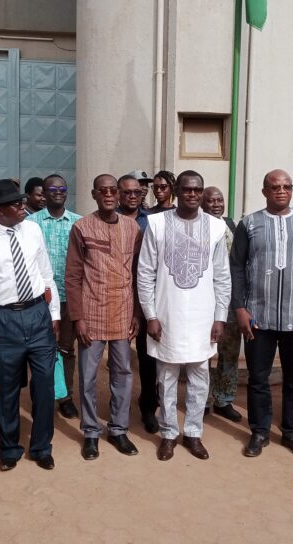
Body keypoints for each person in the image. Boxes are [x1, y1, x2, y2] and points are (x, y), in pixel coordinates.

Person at [230, 169, 293, 459]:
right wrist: (239, 308)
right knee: (258, 379)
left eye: (287, 186)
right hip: (258, 316)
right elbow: (236, 266)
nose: (281, 191)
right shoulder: (250, 224)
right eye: (275, 187)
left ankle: (292, 433)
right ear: (265, 191)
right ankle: (260, 431)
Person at [0, 179, 60, 472]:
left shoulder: (33, 229)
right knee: (5, 389)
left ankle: (42, 447)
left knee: (44, 385)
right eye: (16, 203)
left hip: (37, 314)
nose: (24, 206)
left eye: (22, 202)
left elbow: (46, 274)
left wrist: (53, 315)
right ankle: (9, 448)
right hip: (2, 320)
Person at [138, 171, 231, 461]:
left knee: (200, 376)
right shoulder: (156, 223)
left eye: (198, 190)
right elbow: (145, 272)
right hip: (167, 315)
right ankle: (168, 433)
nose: (193, 194)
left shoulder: (216, 228)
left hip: (203, 317)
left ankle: (193, 432)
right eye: (187, 189)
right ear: (177, 190)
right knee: (166, 377)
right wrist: (150, 315)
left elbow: (222, 277)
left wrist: (220, 317)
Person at [66, 174, 142, 459]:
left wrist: (137, 312)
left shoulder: (132, 227)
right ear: (94, 194)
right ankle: (90, 433)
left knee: (122, 374)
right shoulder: (82, 227)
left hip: (123, 311)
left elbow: (138, 273)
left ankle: (119, 430)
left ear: (119, 195)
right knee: (87, 376)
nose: (109, 194)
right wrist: (78, 318)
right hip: (91, 312)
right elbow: (73, 276)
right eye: (103, 190)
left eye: (113, 190)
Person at [28, 174, 82, 420]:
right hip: (40, 298)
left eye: (62, 188)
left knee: (66, 349)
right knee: (39, 349)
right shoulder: (31, 223)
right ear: (44, 193)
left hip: (70, 297)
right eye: (52, 188)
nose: (58, 192)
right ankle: (42, 394)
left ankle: (66, 396)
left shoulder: (78, 223)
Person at [117, 174, 158, 433]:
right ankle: (117, 409)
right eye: (127, 192)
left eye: (137, 192)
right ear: (118, 194)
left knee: (148, 358)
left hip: (145, 299)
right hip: (116, 299)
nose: (133, 196)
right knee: (119, 359)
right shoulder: (108, 220)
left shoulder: (152, 222)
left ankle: (148, 408)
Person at [201, 185, 242, 422]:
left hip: (230, 300)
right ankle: (203, 399)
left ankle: (224, 399)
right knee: (205, 352)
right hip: (206, 301)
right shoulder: (198, 225)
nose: (216, 204)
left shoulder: (232, 225)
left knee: (229, 351)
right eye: (211, 200)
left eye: (220, 200)